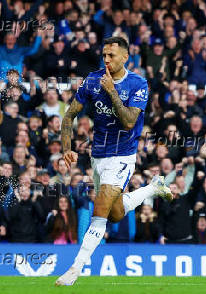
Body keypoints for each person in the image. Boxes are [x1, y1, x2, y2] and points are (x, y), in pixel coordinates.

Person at [56, 36, 172, 286]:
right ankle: (154, 187)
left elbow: (129, 121)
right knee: (116, 214)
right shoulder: (92, 79)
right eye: (104, 55)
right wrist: (67, 148)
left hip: (122, 155)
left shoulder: (138, 83)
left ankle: (74, 271)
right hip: (97, 156)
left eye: (111, 56)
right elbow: (69, 116)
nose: (106, 60)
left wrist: (111, 91)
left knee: (99, 213)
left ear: (125, 57)